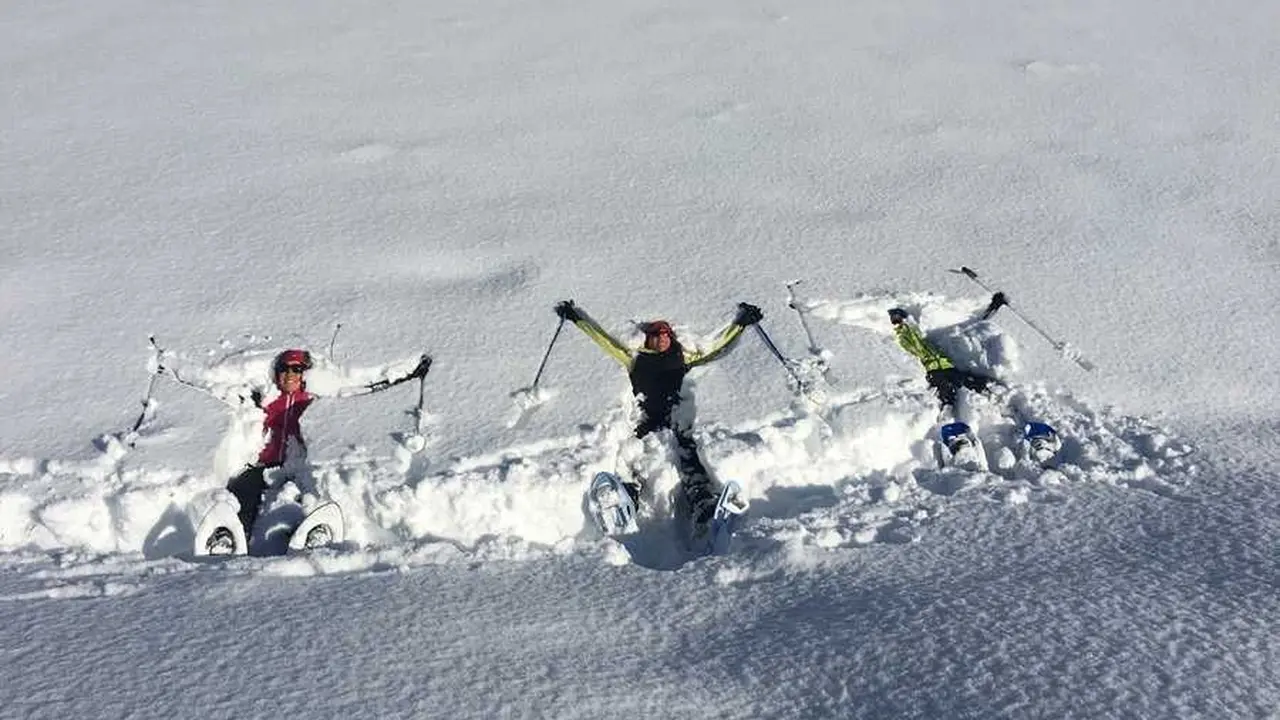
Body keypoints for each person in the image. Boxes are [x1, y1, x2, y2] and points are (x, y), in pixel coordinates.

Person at [168, 348, 431, 550]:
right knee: (241, 496)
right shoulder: (262, 396)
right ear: (277, 372)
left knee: (294, 503)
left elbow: (363, 385)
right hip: (259, 466)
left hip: (292, 468)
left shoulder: (313, 397)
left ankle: (304, 542)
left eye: (296, 369)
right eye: (285, 368)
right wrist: (169, 367)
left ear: (305, 373)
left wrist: (409, 372)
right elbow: (214, 385)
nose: (290, 374)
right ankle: (229, 543)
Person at [553, 299, 763, 525]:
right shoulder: (635, 359)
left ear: (671, 337)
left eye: (665, 334)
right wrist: (576, 318)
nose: (661, 338)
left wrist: (741, 323)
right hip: (644, 421)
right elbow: (605, 341)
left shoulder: (684, 357)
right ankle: (627, 499)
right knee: (631, 455)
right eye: (656, 334)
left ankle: (702, 500)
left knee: (688, 455)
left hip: (674, 420)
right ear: (648, 337)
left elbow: (717, 347)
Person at [888, 292, 1007, 410]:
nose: (898, 321)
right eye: (895, 319)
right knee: (946, 390)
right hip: (933, 371)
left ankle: (996, 393)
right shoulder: (902, 337)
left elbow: (916, 336)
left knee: (968, 380)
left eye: (898, 318)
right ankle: (948, 415)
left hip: (948, 366)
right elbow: (908, 348)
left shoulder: (917, 334)